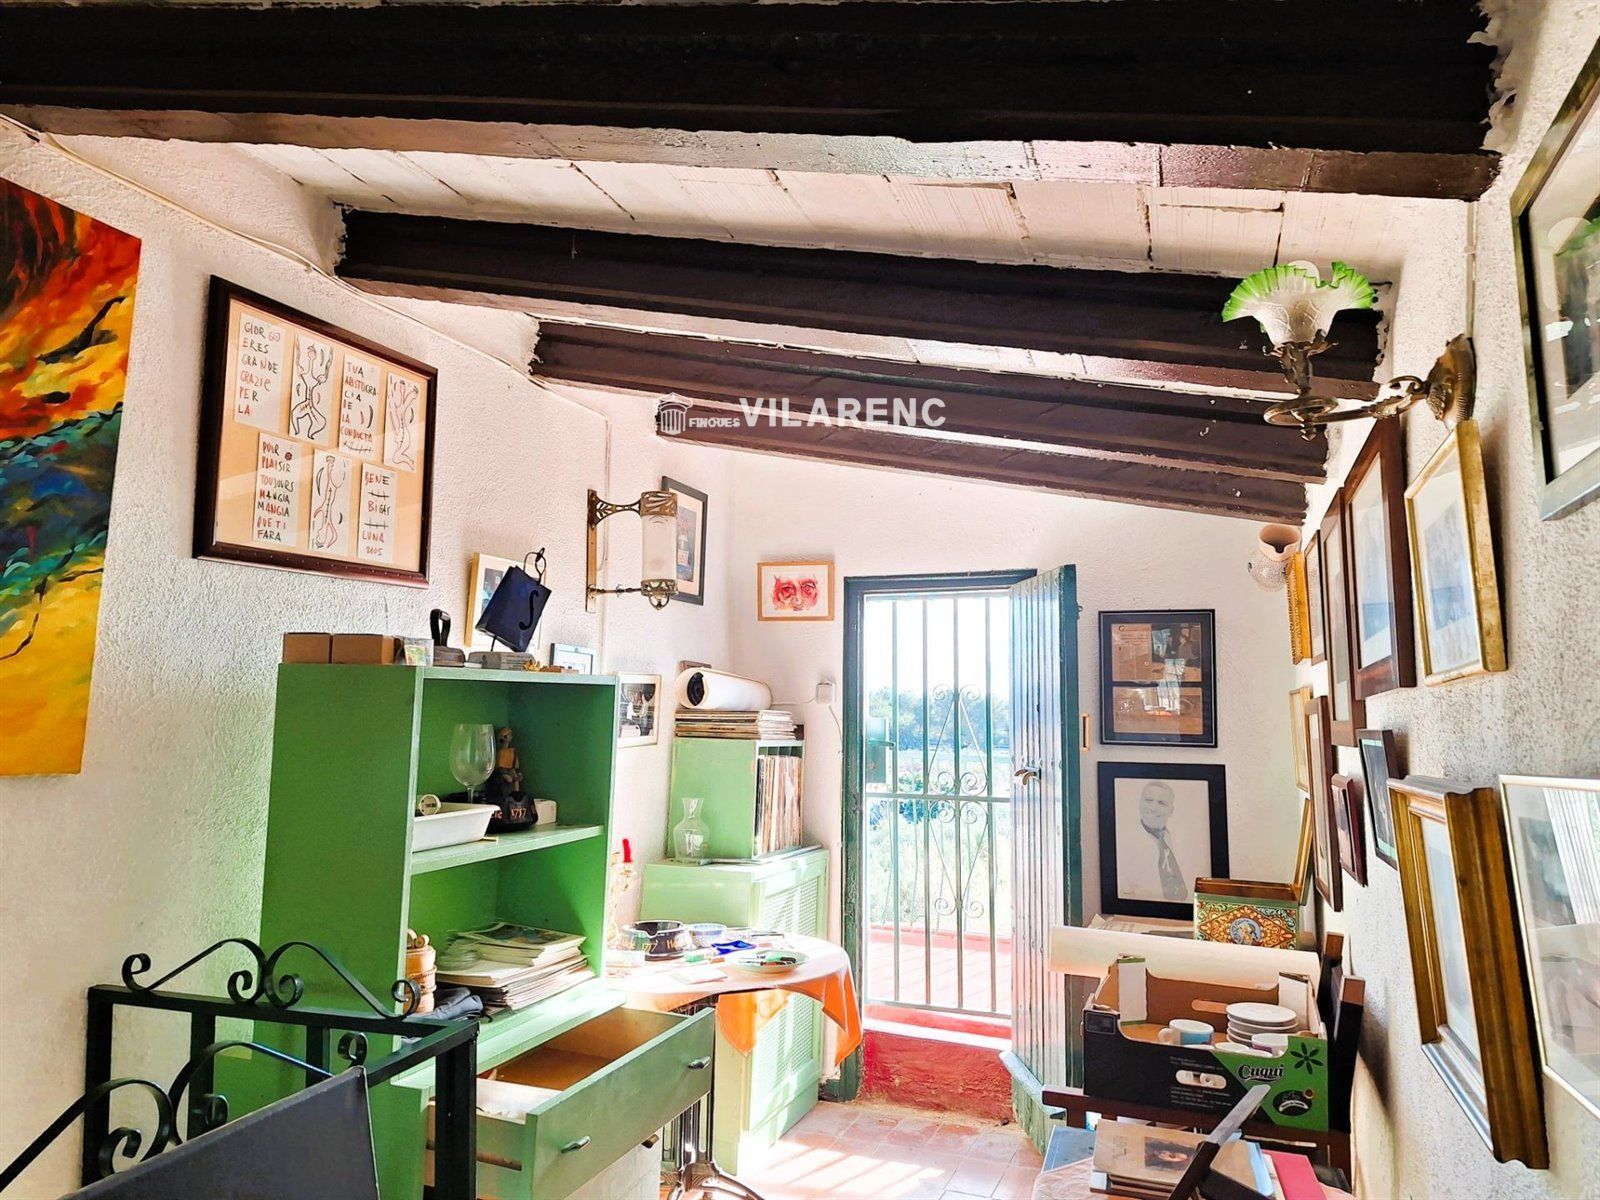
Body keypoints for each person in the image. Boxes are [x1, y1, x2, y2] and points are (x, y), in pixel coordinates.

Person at [1119, 780, 1190, 903]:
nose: (1153, 808)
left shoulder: (1181, 840)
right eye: (1148, 800)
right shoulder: (1122, 843)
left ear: (1171, 811)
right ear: (1140, 803)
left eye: (1161, 803)